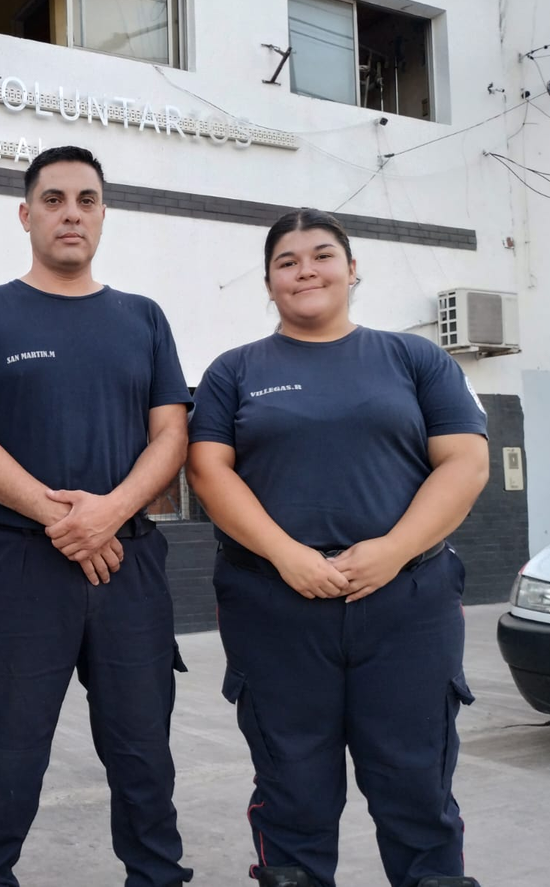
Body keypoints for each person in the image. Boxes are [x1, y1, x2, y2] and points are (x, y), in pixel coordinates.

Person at [186, 209, 489, 887]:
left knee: (416, 784)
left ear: (352, 269)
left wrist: (392, 549)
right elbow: (208, 471)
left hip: (406, 604)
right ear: (268, 283)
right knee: (294, 789)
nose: (306, 271)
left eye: (322, 255)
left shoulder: (415, 359)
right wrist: (287, 554)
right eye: (287, 262)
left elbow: (465, 463)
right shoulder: (235, 371)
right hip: (275, 605)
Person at [0, 145, 195, 887]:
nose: (70, 212)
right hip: (19, 566)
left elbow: (172, 435)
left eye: (85, 199)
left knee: (144, 752)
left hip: (129, 565)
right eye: (52, 199)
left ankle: (156, 875)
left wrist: (108, 513)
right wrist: (66, 520)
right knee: (1, 753)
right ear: (25, 214)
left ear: (104, 213)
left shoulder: (143, 318)